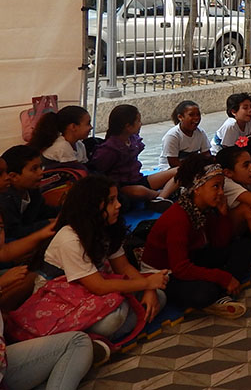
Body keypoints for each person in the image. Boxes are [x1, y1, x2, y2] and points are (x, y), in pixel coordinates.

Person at [34, 175, 168, 342]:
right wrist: (147, 283)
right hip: (63, 299)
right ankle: (85, 338)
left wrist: (149, 289)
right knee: (112, 321)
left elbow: (123, 267)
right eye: (111, 201)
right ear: (91, 206)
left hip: (93, 290)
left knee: (158, 297)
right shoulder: (70, 238)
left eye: (117, 199)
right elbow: (98, 286)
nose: (118, 205)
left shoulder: (106, 227)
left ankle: (97, 335)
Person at [141, 155, 251, 318]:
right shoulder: (178, 218)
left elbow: (219, 244)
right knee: (204, 292)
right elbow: (180, 269)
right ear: (197, 188)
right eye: (216, 186)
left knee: (243, 246)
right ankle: (218, 295)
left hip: (191, 258)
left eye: (222, 186)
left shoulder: (204, 208)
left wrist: (223, 216)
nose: (221, 192)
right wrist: (223, 277)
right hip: (165, 274)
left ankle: (220, 292)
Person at [90, 105, 177, 206]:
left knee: (179, 171)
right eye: (138, 121)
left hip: (138, 179)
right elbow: (99, 172)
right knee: (140, 191)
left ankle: (161, 197)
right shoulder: (109, 149)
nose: (141, 124)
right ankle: (160, 195)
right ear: (128, 126)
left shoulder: (133, 140)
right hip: (123, 187)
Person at [0, 156, 55, 310]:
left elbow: (4, 251)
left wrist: (44, 232)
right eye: (0, 173)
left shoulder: (32, 193)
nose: (7, 177)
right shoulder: (6, 201)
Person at [0, 145, 58, 240]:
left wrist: (67, 211)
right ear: (14, 177)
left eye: (41, 167)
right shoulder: (5, 199)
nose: (41, 172)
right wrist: (48, 223)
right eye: (34, 169)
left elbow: (44, 211)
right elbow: (12, 232)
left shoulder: (32, 190)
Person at [159, 100, 211, 168]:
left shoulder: (200, 133)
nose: (196, 118)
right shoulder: (172, 136)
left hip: (191, 167)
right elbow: (173, 163)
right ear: (180, 117)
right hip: (171, 169)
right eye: (191, 115)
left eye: (198, 114)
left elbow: (206, 154)